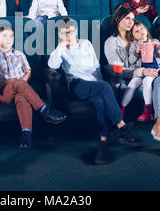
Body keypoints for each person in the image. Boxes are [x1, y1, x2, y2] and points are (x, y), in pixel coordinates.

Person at [49, 17, 143, 165]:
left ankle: (103, 142)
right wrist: (60, 47)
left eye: (71, 31)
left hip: (94, 84)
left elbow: (95, 66)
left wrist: (98, 82)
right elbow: (52, 64)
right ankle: (122, 127)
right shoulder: (61, 49)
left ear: (75, 30)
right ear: (60, 34)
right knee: (105, 86)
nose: (69, 35)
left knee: (100, 101)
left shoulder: (86, 43)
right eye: (65, 33)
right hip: (77, 85)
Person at [104, 6, 160, 164]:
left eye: (132, 18)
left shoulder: (139, 38)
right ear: (118, 19)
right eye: (127, 18)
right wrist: (141, 71)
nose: (131, 22)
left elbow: (158, 56)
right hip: (128, 83)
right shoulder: (111, 42)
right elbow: (116, 69)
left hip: (150, 76)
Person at [0, 26, 67, 148]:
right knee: (17, 83)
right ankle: (44, 110)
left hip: (21, 89)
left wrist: (22, 82)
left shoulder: (20, 55)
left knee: (22, 98)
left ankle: (26, 135)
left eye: (11, 36)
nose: (9, 39)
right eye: (5, 36)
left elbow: (28, 72)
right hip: (5, 93)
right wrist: (8, 82)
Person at [122, 21, 160, 122]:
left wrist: (158, 48)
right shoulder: (134, 45)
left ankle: (148, 110)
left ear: (146, 29)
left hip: (155, 69)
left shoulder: (154, 41)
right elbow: (130, 62)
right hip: (141, 70)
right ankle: (122, 109)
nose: (141, 32)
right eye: (137, 31)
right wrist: (136, 52)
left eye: (142, 28)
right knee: (132, 84)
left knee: (147, 81)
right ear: (133, 36)